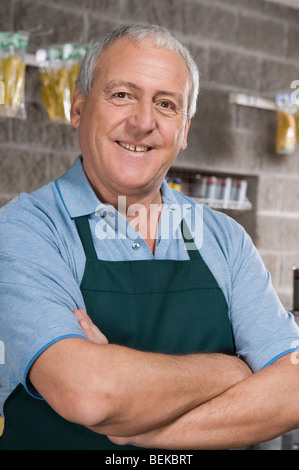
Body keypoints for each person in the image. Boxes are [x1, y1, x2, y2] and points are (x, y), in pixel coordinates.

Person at [1, 23, 299, 451]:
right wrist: (231, 371)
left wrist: (143, 431)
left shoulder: (225, 238)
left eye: (166, 104)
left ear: (184, 132)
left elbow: (292, 386)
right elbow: (91, 393)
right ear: (78, 108)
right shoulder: (29, 227)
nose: (143, 122)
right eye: (122, 94)